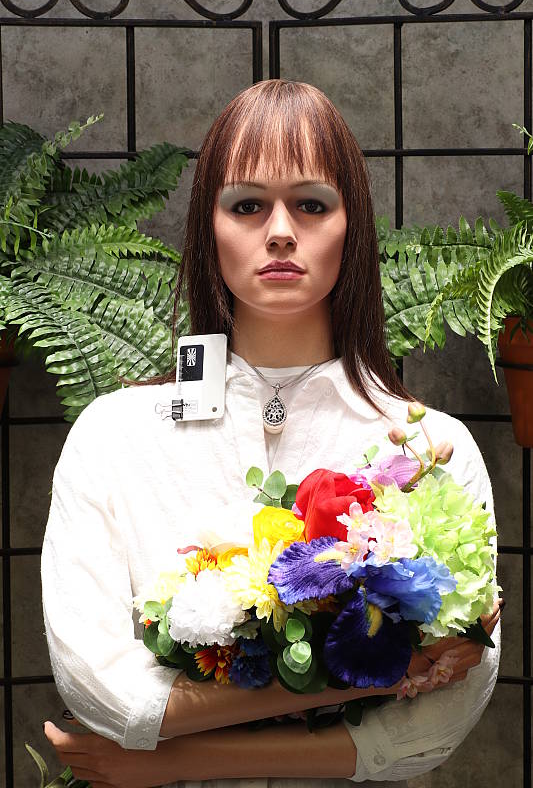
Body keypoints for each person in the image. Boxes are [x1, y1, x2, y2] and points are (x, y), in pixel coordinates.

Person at [41, 79, 502, 788]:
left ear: (352, 225)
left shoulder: (430, 450)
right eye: (247, 205)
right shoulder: (113, 437)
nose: (280, 231)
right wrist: (389, 670)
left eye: (311, 204)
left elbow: (435, 729)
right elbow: (102, 690)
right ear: (209, 226)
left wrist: (177, 759)